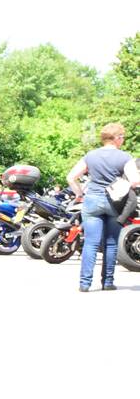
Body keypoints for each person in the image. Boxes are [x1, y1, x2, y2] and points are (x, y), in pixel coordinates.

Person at [67, 123, 139, 292]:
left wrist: (79, 194)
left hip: (92, 201)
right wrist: (123, 184)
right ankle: (107, 282)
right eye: (122, 137)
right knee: (111, 243)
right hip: (114, 202)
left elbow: (71, 177)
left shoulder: (90, 156)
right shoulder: (124, 157)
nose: (123, 140)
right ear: (117, 138)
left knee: (90, 243)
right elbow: (135, 180)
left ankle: (85, 284)